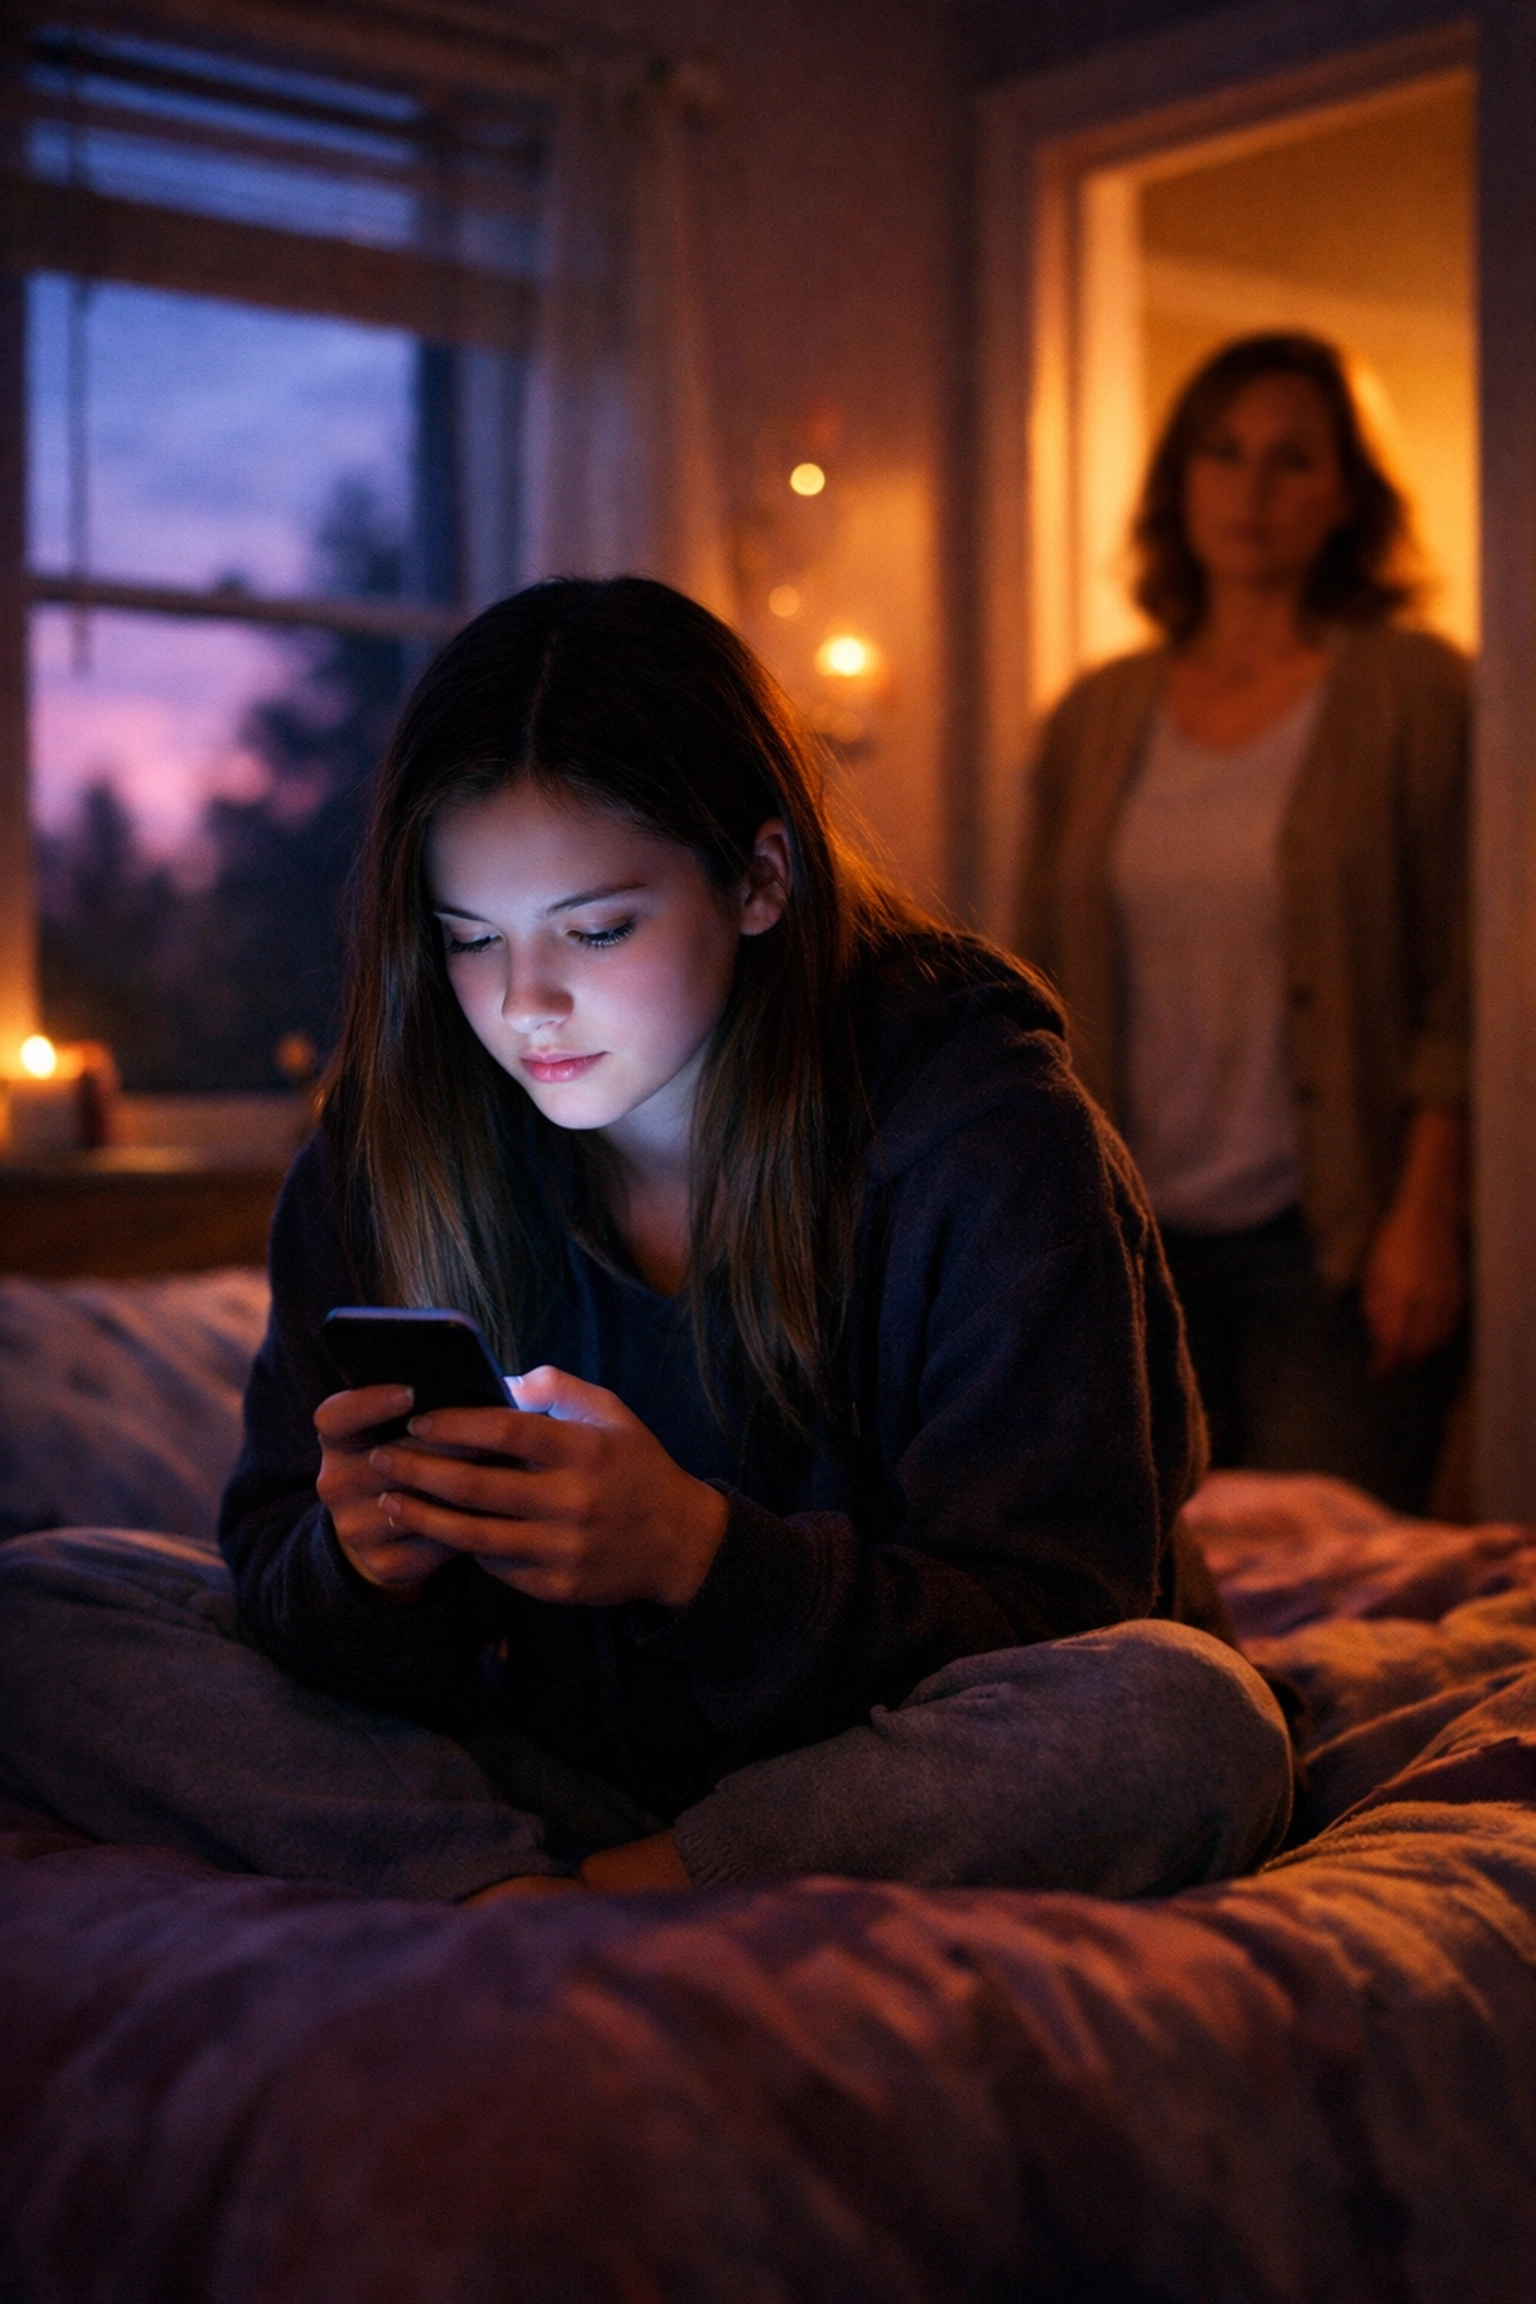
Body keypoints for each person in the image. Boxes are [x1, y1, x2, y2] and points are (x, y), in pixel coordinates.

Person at [0, 578, 1290, 1903]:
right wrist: (360, 1571)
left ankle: (585, 1899)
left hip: (873, 1771)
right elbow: (276, 1569)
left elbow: (1061, 1616)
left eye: (598, 928)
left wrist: (696, 1558)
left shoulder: (982, 1130)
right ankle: (517, 1886)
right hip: (549, 1771)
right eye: (470, 941)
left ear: (759, 880)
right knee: (42, 1605)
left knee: (1189, 1723)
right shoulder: (386, 1152)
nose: (525, 1005)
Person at [1015, 333, 1469, 1516]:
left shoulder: (1418, 691)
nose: (1252, 490)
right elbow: (1024, 990)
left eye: (1292, 460)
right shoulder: (1095, 715)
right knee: (1156, 1593)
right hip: (1126, 1244)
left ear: (1347, 495)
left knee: (1335, 1597)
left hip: (1336, 1245)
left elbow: (1468, 978)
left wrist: (1427, 1216)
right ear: (1180, 482)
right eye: (1223, 454)